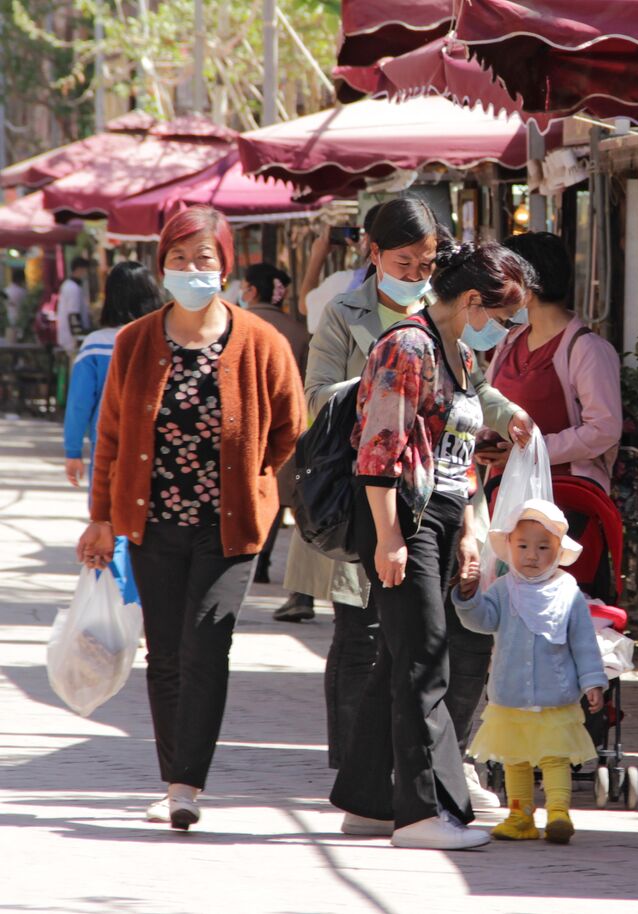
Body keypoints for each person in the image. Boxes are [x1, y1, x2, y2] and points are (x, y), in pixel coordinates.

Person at [74, 205, 304, 831]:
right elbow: (113, 436)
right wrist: (100, 517)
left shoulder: (261, 341)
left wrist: (257, 476)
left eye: (204, 259)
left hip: (227, 529)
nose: (191, 269)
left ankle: (186, 785)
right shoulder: (136, 340)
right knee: (167, 653)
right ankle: (171, 776)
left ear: (224, 266)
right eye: (178, 259)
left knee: (207, 645)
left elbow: (290, 425)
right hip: (152, 525)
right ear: (161, 266)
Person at [328, 211, 535, 851]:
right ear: (473, 301)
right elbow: (379, 450)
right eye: (505, 315)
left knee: (401, 655)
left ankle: (366, 802)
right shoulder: (409, 347)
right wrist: (389, 538)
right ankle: (424, 812)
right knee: (425, 660)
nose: (509, 328)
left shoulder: (461, 353)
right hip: (402, 519)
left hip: (440, 518)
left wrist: (470, 527)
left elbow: (458, 450)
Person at [293, 199, 506, 813]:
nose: (415, 274)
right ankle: (417, 798)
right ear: (373, 252)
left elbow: (470, 403)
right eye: (404, 262)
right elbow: (319, 401)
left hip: (437, 500)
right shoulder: (354, 318)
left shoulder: (448, 321)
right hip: (374, 498)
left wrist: (505, 418)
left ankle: (370, 792)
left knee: (413, 653)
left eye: (427, 263)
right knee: (385, 646)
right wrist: (386, 384)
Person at [452, 498, 607, 845]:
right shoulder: (504, 590)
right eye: (523, 546)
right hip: (509, 696)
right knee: (515, 759)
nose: (531, 555)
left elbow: (583, 642)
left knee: (555, 758)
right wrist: (468, 596)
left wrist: (593, 681)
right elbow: (482, 621)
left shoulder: (567, 591)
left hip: (556, 697)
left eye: (542, 547)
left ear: (558, 552)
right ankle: (520, 816)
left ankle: (558, 813)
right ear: (509, 548)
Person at [486, 232, 622, 493]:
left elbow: (604, 428)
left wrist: (533, 450)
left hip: (562, 495)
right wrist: (486, 441)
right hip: (506, 490)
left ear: (525, 287)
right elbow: (488, 404)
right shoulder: (510, 340)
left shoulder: (587, 349)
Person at [62, 261, 163, 606]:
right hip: (157, 454)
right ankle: (139, 604)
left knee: (110, 523)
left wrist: (73, 450)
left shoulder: (95, 345)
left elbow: (79, 403)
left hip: (109, 453)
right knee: (146, 531)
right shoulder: (161, 340)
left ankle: (119, 604)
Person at [240, 263, 312, 607]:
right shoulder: (298, 331)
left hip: (245, 432)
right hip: (292, 430)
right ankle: (301, 589)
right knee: (297, 506)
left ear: (251, 291)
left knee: (254, 496)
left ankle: (256, 561)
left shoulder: (236, 328)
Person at [300, 204, 383, 335]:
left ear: (366, 238)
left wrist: (317, 257)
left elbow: (305, 306)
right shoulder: (416, 285)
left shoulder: (343, 283)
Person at [57, 256, 92, 354]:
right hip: (72, 338)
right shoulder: (73, 288)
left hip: (69, 336)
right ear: (79, 269)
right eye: (85, 270)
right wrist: (78, 337)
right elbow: (73, 314)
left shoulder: (69, 285)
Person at [5, 266, 26, 334]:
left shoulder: (6, 291)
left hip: (9, 321)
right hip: (19, 322)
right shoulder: (22, 292)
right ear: (21, 279)